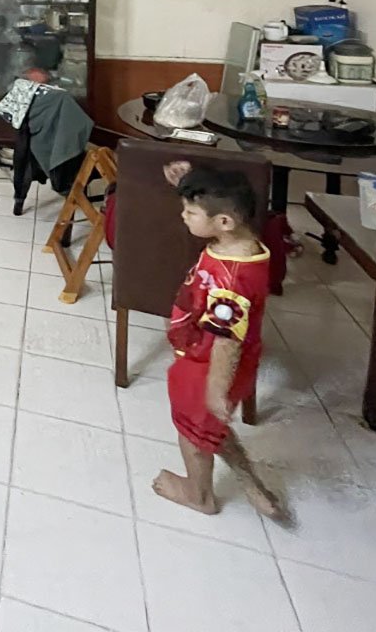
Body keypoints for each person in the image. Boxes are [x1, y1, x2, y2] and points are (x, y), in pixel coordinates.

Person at [153, 161, 287, 520]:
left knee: (193, 433)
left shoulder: (231, 279)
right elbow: (218, 206)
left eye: (190, 212)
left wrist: (215, 388)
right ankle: (252, 484)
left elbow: (226, 341)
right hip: (206, 355)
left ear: (224, 221)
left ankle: (198, 494)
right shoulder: (241, 243)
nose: (183, 216)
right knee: (210, 428)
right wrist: (189, 184)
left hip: (208, 364)